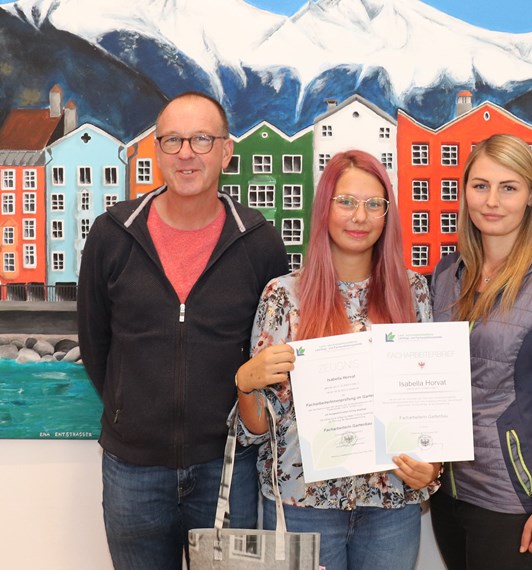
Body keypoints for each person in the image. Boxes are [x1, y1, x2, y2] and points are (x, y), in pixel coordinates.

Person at [77, 92, 288, 569]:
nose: (186, 152)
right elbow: (95, 343)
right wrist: (130, 406)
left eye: (201, 139)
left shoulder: (259, 242)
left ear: (226, 151)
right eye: (172, 140)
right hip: (133, 469)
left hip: (228, 467)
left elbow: (270, 351)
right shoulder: (113, 233)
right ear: (156, 149)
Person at [232, 150, 440, 570]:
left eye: (373, 204)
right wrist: (246, 383)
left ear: (386, 215)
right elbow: (258, 427)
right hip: (303, 504)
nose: (359, 216)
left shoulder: (413, 291)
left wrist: (431, 466)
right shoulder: (283, 295)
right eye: (345, 201)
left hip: (391, 504)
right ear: (324, 208)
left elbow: (426, 405)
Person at [429, 133, 532, 569]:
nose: (492, 201)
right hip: (448, 492)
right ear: (464, 192)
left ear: (531, 196)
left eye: (509, 187)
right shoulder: (447, 273)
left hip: (514, 498)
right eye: (480, 185)